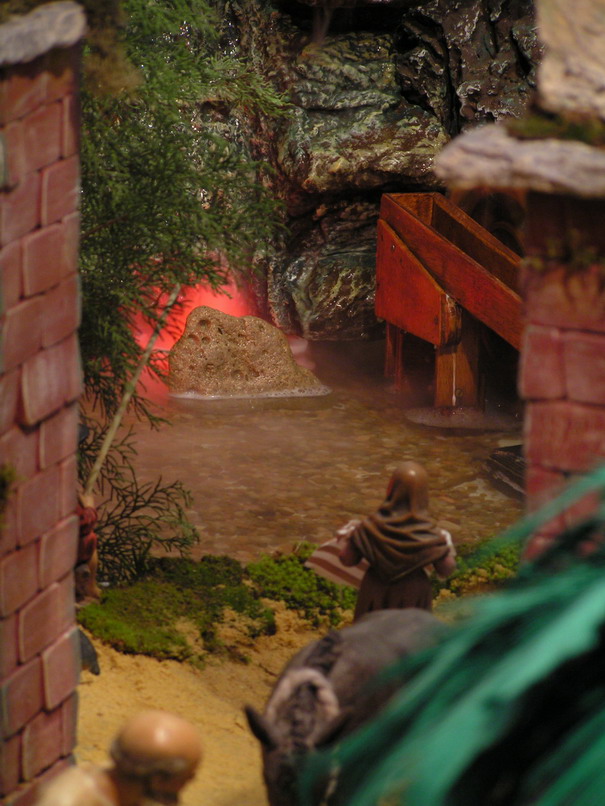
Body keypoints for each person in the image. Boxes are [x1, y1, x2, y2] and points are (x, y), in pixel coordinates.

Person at [338, 461, 456, 619]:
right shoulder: (431, 534)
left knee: (369, 630)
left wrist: (352, 536)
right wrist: (444, 545)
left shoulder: (369, 527)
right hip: (413, 595)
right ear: (423, 494)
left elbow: (347, 559)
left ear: (390, 488)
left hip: (375, 591)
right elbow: (446, 569)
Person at [35, 710, 202, 806]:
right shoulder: (72, 800)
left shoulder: (129, 780)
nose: (190, 782)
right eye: (187, 778)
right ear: (158, 780)